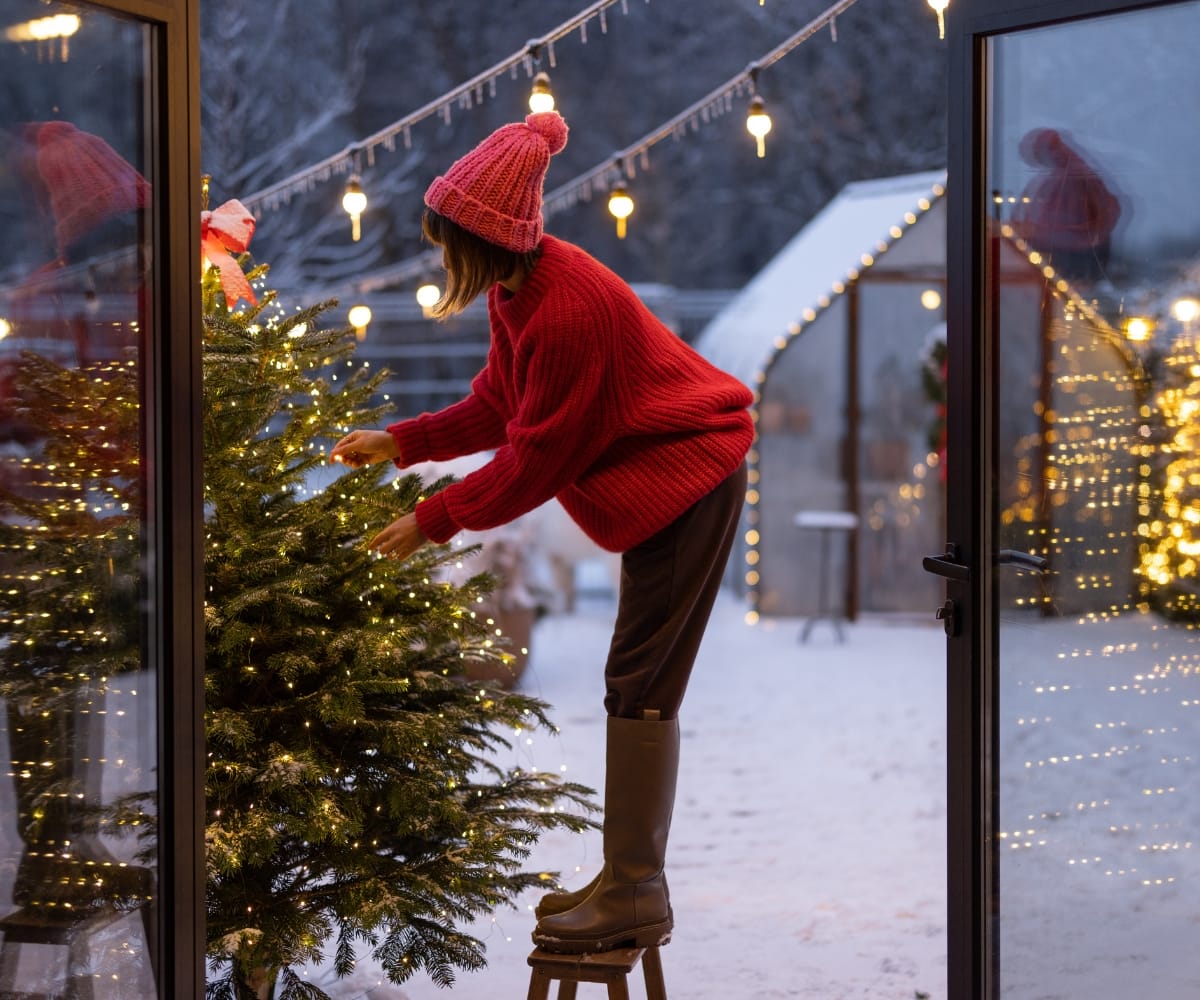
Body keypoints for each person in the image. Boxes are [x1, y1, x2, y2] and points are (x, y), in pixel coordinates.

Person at [330, 110, 753, 955]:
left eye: (448, 241)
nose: (442, 257)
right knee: (634, 676)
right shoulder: (518, 291)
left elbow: (536, 463)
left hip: (689, 478)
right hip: (656, 485)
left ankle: (636, 887)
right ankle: (628, 874)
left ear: (486, 238)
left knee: (642, 679)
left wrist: (432, 519)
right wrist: (405, 443)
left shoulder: (567, 310)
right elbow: (499, 403)